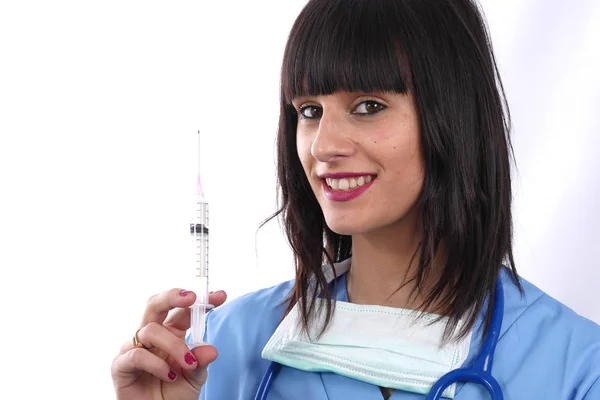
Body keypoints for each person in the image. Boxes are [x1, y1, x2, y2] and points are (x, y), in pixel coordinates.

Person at [111, 0, 600, 398]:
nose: (322, 145)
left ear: (453, 117)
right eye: (309, 110)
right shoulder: (224, 345)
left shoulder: (576, 365)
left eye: (368, 107)